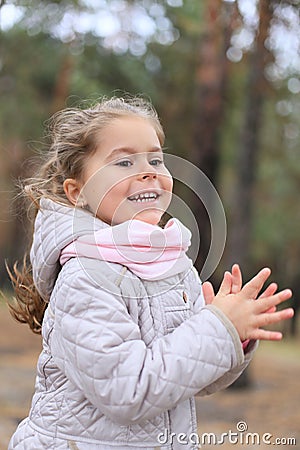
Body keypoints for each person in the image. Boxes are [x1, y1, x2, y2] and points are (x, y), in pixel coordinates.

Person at [7, 96, 293, 450]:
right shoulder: (85, 274)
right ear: (78, 192)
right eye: (124, 161)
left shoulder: (173, 266)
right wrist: (216, 328)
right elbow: (128, 390)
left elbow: (189, 377)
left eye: (156, 158)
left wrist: (234, 331)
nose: (149, 171)